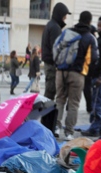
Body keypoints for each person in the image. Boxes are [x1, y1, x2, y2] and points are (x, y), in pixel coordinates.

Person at [54, 11, 98, 141]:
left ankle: (56, 127)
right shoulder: (90, 37)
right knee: (74, 103)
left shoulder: (67, 32)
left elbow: (56, 48)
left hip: (61, 72)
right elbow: (94, 58)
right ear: (89, 21)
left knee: (59, 100)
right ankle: (69, 132)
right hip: (77, 73)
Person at [40, 2, 70, 135]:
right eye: (64, 15)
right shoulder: (55, 27)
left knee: (49, 93)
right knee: (51, 94)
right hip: (52, 65)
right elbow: (57, 49)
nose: (65, 18)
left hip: (48, 63)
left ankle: (46, 123)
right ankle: (47, 124)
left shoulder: (50, 25)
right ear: (59, 14)